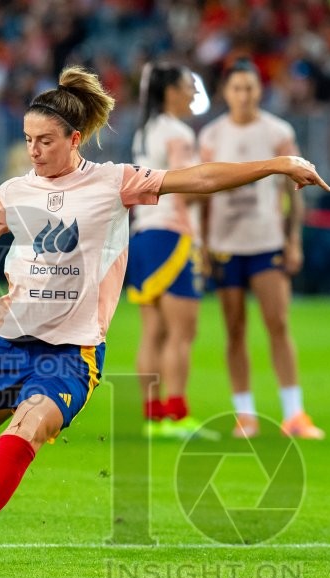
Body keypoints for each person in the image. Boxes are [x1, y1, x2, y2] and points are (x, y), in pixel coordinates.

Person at [0, 66, 330, 571]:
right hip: (6, 344)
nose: (34, 150)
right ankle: (24, 408)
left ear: (75, 139)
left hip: (71, 354)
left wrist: (278, 163)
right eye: (28, 139)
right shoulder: (14, 192)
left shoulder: (114, 182)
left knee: (24, 432)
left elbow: (199, 178)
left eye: (45, 141)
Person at [198, 59, 325, 440]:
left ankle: (294, 414)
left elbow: (294, 189)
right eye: (236, 88)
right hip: (224, 242)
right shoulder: (211, 136)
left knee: (279, 323)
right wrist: (202, 243)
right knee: (234, 329)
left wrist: (293, 239)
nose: (243, 95)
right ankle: (245, 415)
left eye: (249, 88)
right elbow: (203, 193)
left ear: (259, 90)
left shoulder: (277, 131)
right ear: (225, 92)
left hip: (266, 239)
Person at [126, 62, 210, 439]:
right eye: (189, 86)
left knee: (152, 332)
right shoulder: (178, 133)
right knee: (181, 333)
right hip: (172, 235)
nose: (193, 93)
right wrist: (223, 183)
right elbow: (185, 185)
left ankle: (152, 415)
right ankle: (177, 414)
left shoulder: (145, 131)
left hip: (142, 233)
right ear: (171, 92)